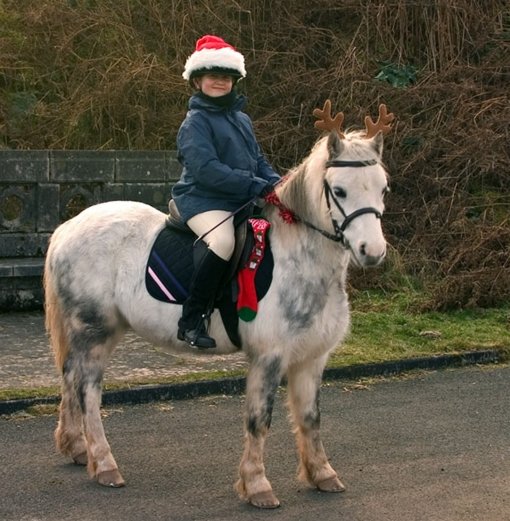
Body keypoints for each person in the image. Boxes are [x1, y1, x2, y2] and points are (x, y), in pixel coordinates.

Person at [172, 34, 280, 349]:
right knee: (223, 242)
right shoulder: (194, 123)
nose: (220, 82)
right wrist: (256, 185)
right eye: (212, 76)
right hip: (202, 200)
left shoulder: (241, 119)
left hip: (239, 199)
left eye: (226, 77)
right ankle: (191, 320)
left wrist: (277, 183)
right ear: (197, 81)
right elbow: (207, 171)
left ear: (234, 80)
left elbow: (257, 160)